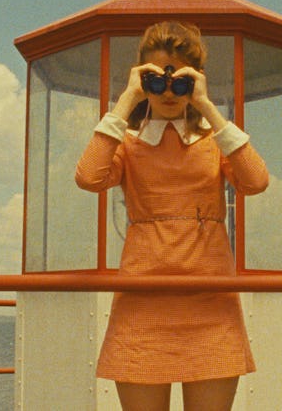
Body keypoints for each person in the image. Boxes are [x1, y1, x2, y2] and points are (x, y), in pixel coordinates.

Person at [75, 21, 269, 411]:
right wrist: (127, 100)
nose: (167, 92)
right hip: (142, 305)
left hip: (211, 306)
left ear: (196, 81)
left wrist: (208, 107)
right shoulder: (128, 143)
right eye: (155, 81)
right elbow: (88, 177)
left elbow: (255, 180)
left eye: (179, 82)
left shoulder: (214, 142)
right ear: (141, 80)